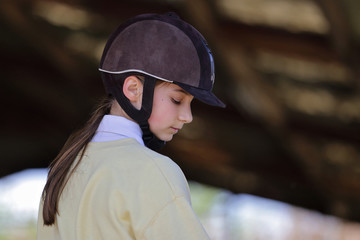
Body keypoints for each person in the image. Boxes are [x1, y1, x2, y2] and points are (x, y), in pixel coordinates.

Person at [37, 12, 225, 240]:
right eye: (177, 99)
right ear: (133, 89)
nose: (188, 116)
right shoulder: (154, 171)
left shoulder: (63, 171)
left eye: (190, 104)